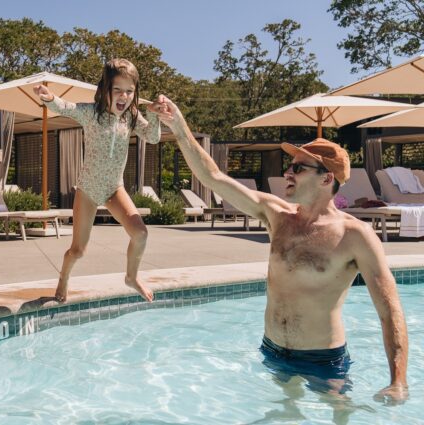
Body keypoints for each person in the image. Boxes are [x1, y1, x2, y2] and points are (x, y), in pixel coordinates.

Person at [156, 98, 409, 406]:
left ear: (327, 178)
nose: (288, 173)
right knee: (285, 412)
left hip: (324, 361)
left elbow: (389, 311)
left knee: (340, 415)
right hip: (272, 350)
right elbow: (213, 178)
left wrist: (397, 381)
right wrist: (179, 127)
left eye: (298, 168)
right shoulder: (276, 214)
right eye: (290, 166)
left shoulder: (355, 236)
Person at [33, 58, 165, 303]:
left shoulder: (131, 118)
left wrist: (154, 115)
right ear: (106, 89)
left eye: (129, 91)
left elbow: (154, 137)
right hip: (89, 189)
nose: (123, 96)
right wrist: (49, 98)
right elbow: (66, 108)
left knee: (141, 234)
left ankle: (131, 277)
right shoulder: (92, 114)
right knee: (78, 251)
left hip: (114, 188)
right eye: (117, 90)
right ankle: (63, 278)